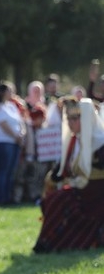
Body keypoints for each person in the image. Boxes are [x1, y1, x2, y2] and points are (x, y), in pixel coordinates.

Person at [34, 97, 104, 253]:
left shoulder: (100, 142)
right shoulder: (73, 141)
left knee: (58, 200)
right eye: (68, 118)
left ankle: (50, 243)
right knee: (51, 199)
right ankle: (49, 242)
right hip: (81, 193)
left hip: (96, 198)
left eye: (75, 118)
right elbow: (61, 171)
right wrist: (51, 181)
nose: (70, 123)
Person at [0, 81, 25, 205]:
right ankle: (1, 198)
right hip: (4, 142)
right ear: (2, 93)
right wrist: (16, 136)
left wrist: (21, 133)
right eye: (9, 90)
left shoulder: (11, 106)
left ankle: (8, 197)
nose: (12, 93)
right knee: (3, 170)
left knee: (11, 171)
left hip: (15, 142)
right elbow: (3, 124)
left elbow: (20, 121)